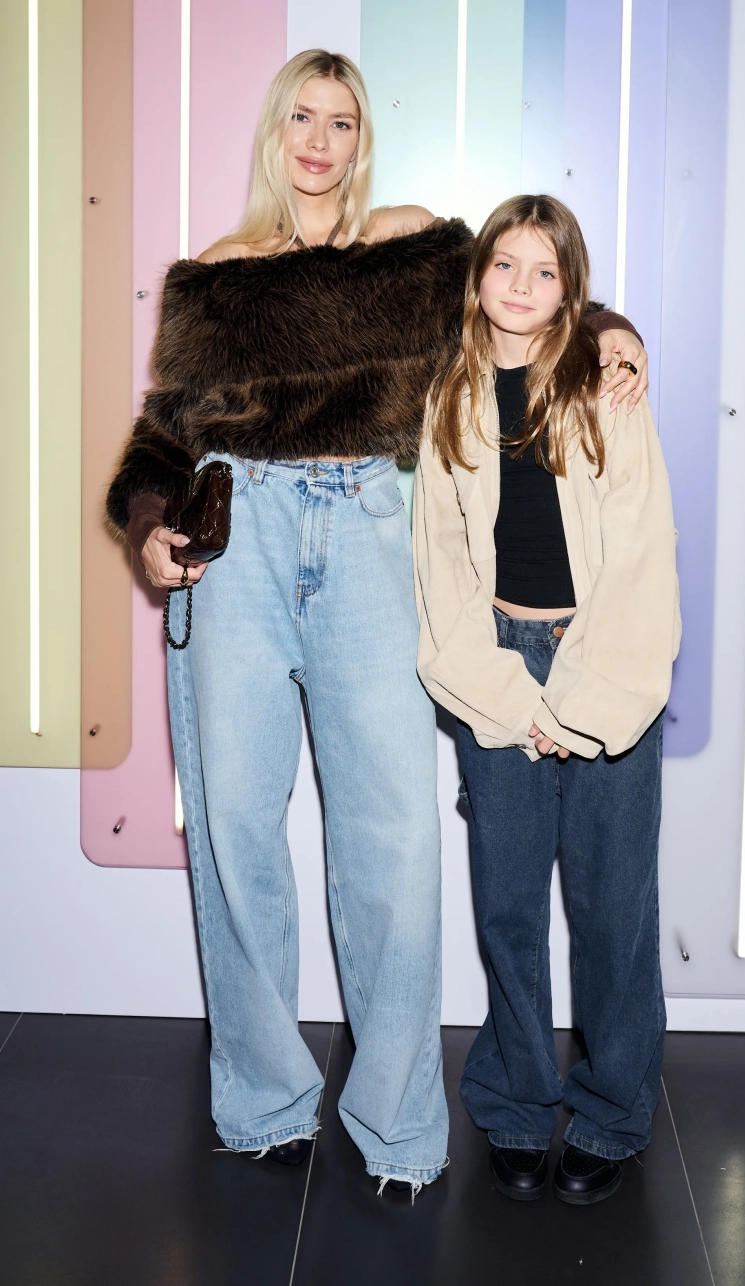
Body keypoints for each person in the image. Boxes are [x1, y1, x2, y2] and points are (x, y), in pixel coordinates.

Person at [106, 50, 649, 1198]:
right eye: (300, 117)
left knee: (394, 837)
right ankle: (263, 1101)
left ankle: (399, 1125)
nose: (318, 141)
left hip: (365, 531)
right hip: (236, 548)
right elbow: (160, 440)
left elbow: (519, 297)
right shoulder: (214, 275)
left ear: (361, 140)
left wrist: (609, 331)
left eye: (341, 121)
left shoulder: (413, 250)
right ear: (274, 132)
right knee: (235, 831)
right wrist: (150, 528)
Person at [414, 194, 680, 1204]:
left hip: (603, 657)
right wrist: (508, 698)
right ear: (477, 273)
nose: (521, 286)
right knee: (510, 907)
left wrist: (580, 703)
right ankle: (518, 1102)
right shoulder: (450, 393)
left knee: (614, 909)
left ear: (572, 287)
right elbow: (439, 564)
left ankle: (611, 1111)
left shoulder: (604, 383)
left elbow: (643, 555)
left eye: (545, 270)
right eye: (504, 265)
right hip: (498, 660)